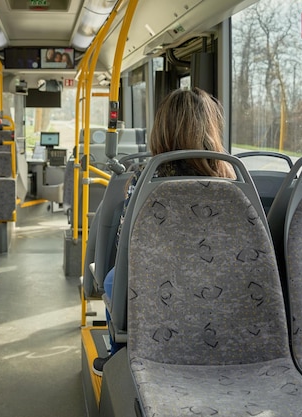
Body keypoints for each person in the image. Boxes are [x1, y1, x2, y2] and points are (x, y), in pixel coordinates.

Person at [92, 87, 235, 376]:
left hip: (158, 287)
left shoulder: (147, 180)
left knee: (111, 280)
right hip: (221, 286)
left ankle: (118, 355)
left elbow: (128, 246)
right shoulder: (232, 180)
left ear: (161, 129)